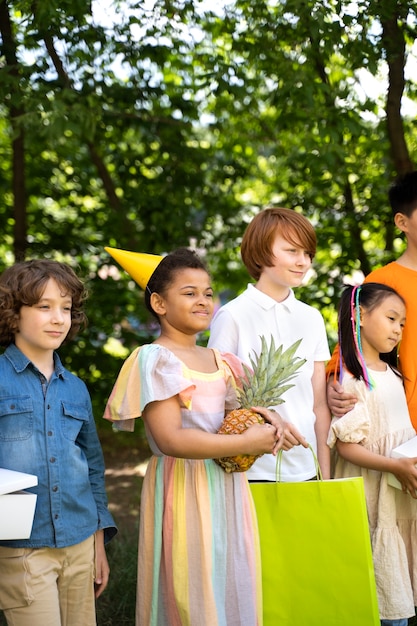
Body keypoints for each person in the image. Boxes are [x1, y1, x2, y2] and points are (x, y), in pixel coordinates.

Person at [103, 246, 298, 626]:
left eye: (208, 293)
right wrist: (244, 443)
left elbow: (232, 419)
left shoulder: (220, 361)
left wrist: (266, 419)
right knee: (189, 584)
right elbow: (171, 439)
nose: (204, 300)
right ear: (159, 303)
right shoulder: (155, 358)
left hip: (227, 487)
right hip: (183, 487)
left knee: (229, 574)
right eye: (189, 292)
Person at [0, 260, 117, 626]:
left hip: (80, 542)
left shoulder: (76, 388)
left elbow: (93, 468)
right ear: (13, 314)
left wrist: (98, 540)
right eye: (44, 306)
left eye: (65, 308)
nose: (58, 318)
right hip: (21, 548)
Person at [208, 207, 331, 481]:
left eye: (308, 253)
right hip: (251, 469)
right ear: (261, 251)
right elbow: (218, 401)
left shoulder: (312, 318)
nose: (303, 261)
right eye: (292, 251)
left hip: (308, 468)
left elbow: (318, 405)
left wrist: (325, 473)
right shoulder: (232, 316)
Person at [327, 282, 417, 625]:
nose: (397, 329)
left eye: (402, 324)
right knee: (379, 590)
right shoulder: (352, 379)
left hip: (397, 489)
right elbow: (348, 446)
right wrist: (394, 464)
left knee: (397, 579)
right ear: (360, 315)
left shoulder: (393, 373)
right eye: (392, 318)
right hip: (373, 490)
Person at [328, 171, 417, 429]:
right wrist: (333, 384)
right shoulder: (385, 281)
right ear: (402, 222)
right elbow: (349, 340)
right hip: (407, 428)